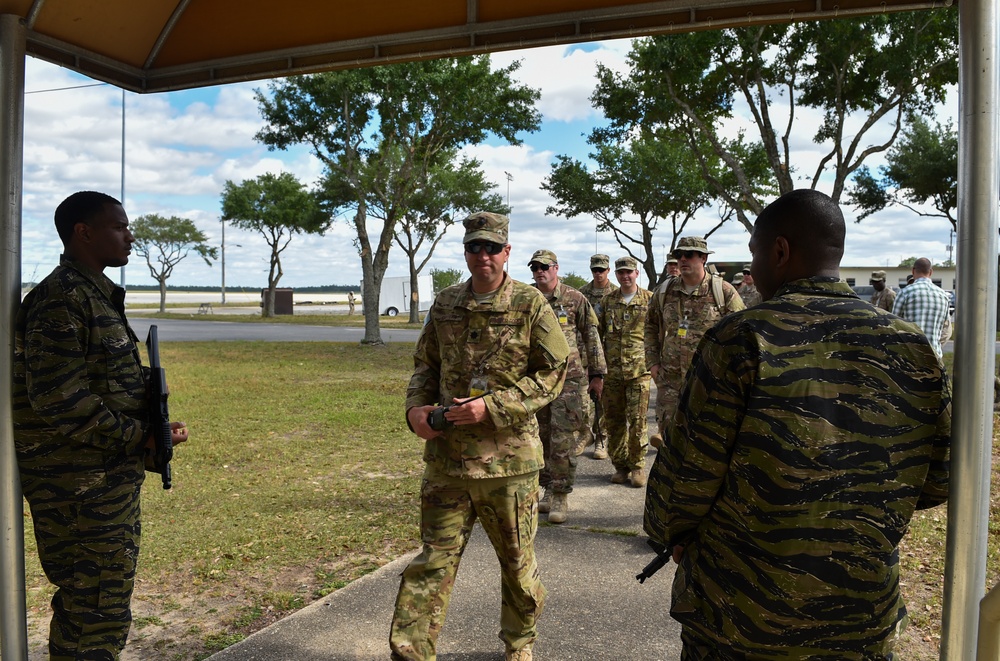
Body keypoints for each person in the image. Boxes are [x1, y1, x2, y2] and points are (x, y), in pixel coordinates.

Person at [644, 189, 951, 659]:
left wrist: (674, 534)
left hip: (741, 618)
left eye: (754, 253)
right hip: (860, 618)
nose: (754, 266)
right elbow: (937, 480)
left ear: (780, 251)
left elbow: (685, 479)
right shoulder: (910, 345)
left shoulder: (740, 339)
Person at [14, 191, 190, 660]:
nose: (130, 237)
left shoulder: (92, 294)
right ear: (83, 232)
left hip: (102, 481)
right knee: (93, 610)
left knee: (100, 607)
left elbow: (102, 387)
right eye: (120, 227)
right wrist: (140, 435)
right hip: (77, 489)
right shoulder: (62, 299)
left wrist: (154, 422)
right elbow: (59, 400)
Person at [390, 212, 570, 661]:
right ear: (466, 252)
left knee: (516, 565)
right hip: (447, 461)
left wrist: (491, 407)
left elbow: (554, 370)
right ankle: (411, 651)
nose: (483, 255)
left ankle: (519, 644)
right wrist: (415, 409)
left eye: (493, 247)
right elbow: (425, 366)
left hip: (508, 464)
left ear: (507, 252)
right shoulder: (446, 303)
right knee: (432, 562)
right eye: (475, 247)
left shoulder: (530, 305)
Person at [528, 249, 606, 523]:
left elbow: (591, 336)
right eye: (535, 267)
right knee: (539, 436)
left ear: (556, 268)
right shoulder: (527, 298)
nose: (539, 271)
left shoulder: (575, 298)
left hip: (570, 380)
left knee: (564, 438)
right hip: (535, 379)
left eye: (544, 266)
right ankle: (547, 487)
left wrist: (597, 374)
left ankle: (560, 493)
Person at [644, 236, 744, 450]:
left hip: (710, 381)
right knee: (670, 441)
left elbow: (742, 334)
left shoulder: (723, 292)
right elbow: (650, 326)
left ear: (704, 258)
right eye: (678, 255)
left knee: (707, 444)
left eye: (689, 254)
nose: (682, 259)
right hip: (669, 380)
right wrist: (653, 364)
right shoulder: (664, 292)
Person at [598, 256, 652, 487]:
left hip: (639, 372)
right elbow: (597, 334)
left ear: (637, 273)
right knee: (614, 421)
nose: (625, 276)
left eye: (629, 272)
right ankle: (620, 466)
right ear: (616, 275)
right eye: (621, 273)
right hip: (612, 373)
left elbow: (659, 332)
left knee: (638, 421)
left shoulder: (650, 299)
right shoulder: (608, 301)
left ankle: (638, 466)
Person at [577, 254, 618, 459]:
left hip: (609, 351)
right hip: (587, 351)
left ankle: (601, 438)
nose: (598, 273)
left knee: (602, 396)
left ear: (608, 270)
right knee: (583, 396)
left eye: (601, 269)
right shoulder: (582, 294)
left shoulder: (615, 294)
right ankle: (585, 434)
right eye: (595, 270)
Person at [893, 257, 952, 359]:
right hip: (934, 357)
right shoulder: (943, 296)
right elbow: (946, 329)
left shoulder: (904, 293)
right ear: (931, 272)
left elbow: (893, 325)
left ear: (913, 271)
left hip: (910, 357)